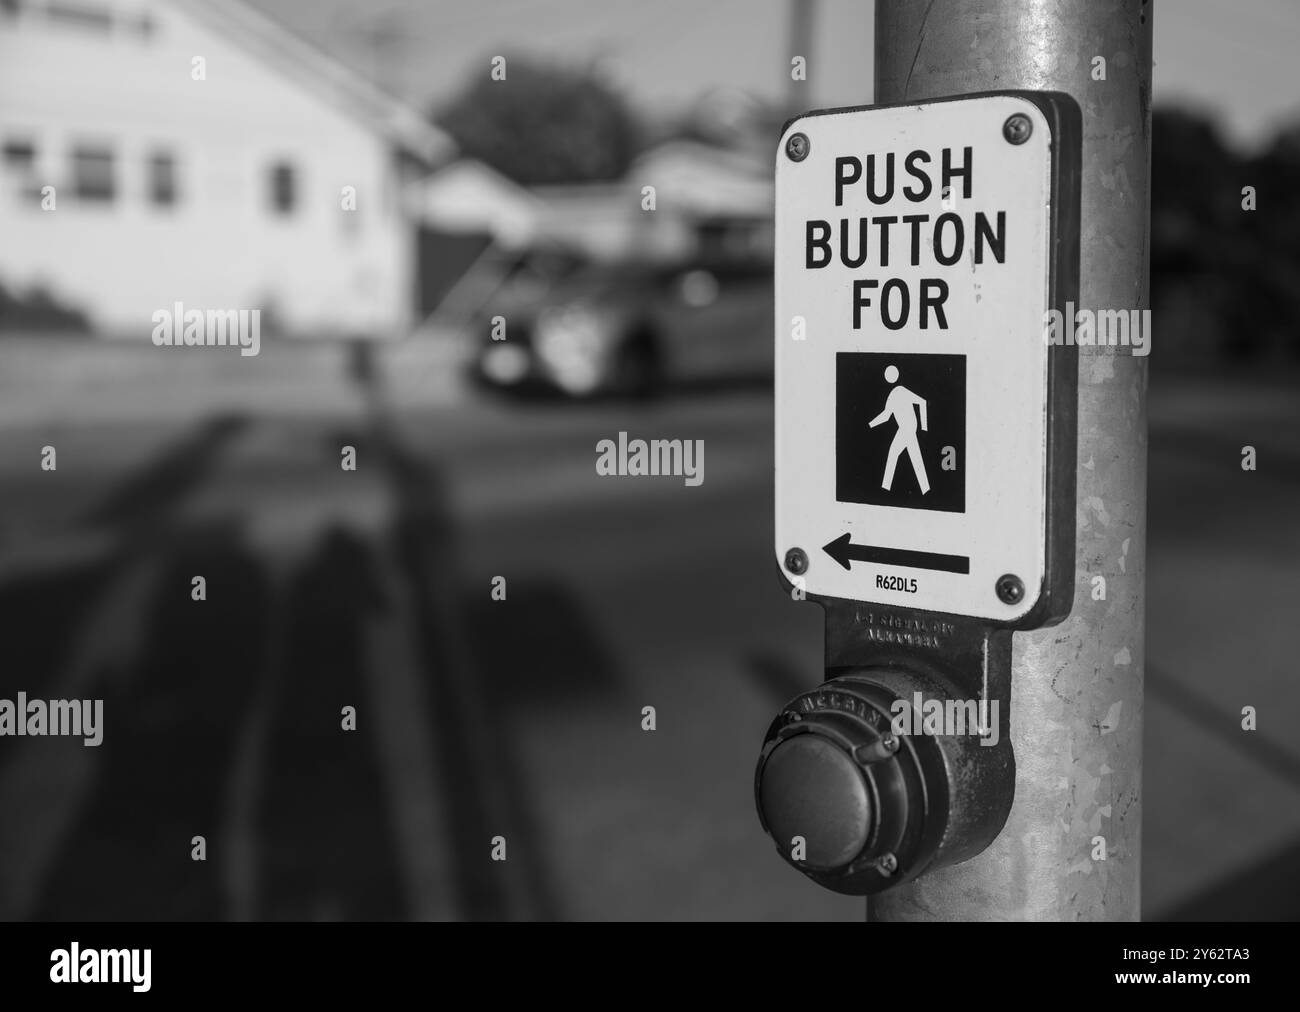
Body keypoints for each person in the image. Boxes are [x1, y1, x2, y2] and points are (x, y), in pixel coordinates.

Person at [868, 364, 930, 494]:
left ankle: (886, 487)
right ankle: (925, 489)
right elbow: (886, 416)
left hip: (908, 428)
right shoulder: (892, 396)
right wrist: (871, 424)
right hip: (905, 429)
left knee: (897, 453)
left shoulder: (901, 390)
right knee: (912, 456)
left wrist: (924, 427)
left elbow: (922, 402)